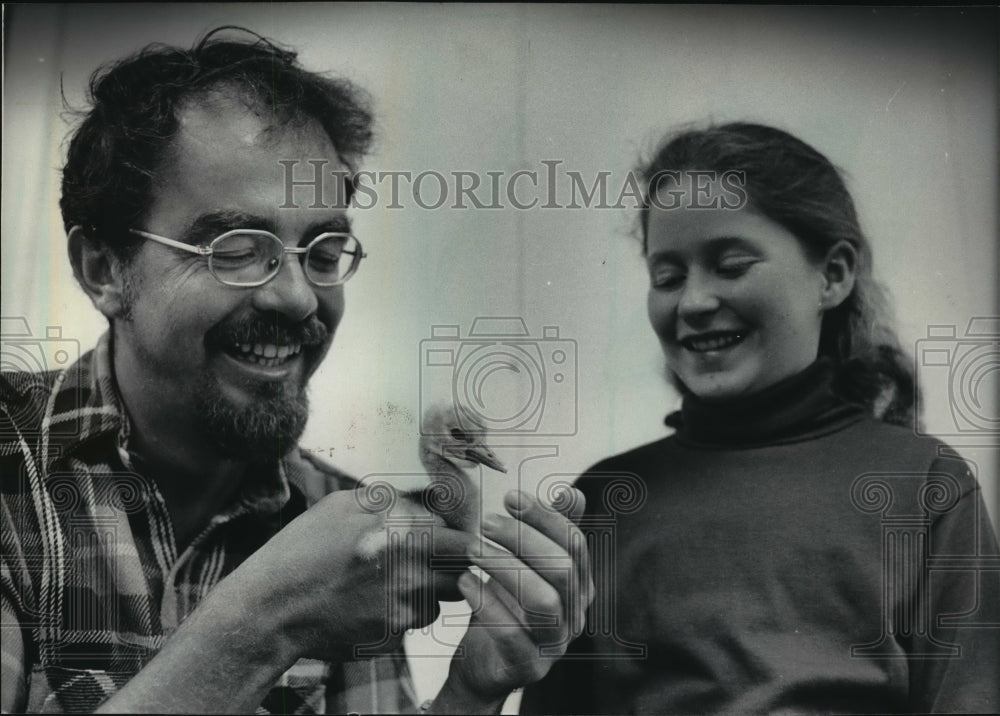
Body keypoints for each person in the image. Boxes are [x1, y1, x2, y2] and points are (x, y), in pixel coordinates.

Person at [0, 27, 592, 714]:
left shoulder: (340, 518)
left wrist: (472, 691)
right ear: (103, 270)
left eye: (322, 248)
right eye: (237, 247)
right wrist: (266, 624)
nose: (299, 295)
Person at [521, 122, 999, 714]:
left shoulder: (926, 485)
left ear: (833, 275)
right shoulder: (607, 501)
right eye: (667, 277)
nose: (693, 302)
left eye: (731, 265)